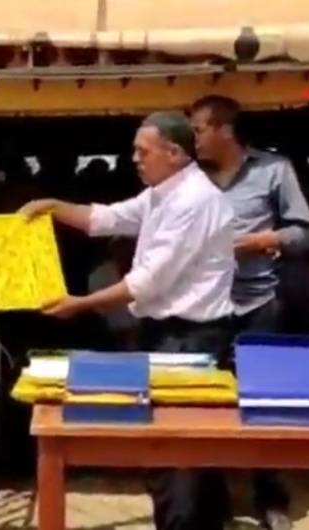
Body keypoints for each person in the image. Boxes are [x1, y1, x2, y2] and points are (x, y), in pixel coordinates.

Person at [19, 111, 237, 530]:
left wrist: (81, 303)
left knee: (178, 455)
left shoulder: (193, 200)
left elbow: (148, 281)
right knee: (177, 452)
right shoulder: (161, 193)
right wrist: (53, 206)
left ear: (174, 153)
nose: (135, 159)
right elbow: (108, 218)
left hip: (190, 339)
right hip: (167, 335)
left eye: (143, 151)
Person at [190, 95, 309, 530]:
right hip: (203, 306)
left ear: (225, 130)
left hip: (260, 303)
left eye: (198, 129)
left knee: (267, 402)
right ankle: (213, 503)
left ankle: (271, 499)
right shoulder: (189, 177)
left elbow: (306, 231)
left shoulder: (274, 169)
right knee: (204, 404)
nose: (193, 138)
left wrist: (264, 241)